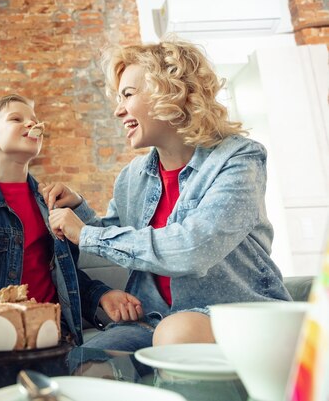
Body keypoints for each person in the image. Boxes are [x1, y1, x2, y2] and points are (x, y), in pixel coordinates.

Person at [41, 40, 292, 352]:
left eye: (128, 95)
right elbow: (120, 239)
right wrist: (80, 211)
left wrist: (88, 233)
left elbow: (192, 248)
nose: (119, 110)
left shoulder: (238, 158)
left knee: (177, 334)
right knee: (84, 364)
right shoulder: (131, 177)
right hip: (155, 318)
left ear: (171, 90)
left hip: (238, 312)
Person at [0, 94, 142, 345]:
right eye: (16, 119)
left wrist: (101, 295)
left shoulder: (50, 204)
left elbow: (64, 276)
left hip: (53, 332)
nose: (31, 124)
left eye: (34, 120)